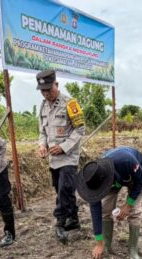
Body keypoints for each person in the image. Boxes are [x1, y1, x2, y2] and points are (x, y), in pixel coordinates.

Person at [36, 70, 86, 243]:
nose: (46, 94)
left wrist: (63, 147)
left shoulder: (70, 103)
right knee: (63, 189)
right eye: (43, 91)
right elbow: (42, 131)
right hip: (53, 159)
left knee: (64, 188)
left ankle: (60, 222)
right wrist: (42, 145)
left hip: (69, 156)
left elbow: (80, 129)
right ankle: (74, 219)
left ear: (56, 85)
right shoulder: (43, 106)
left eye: (48, 90)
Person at [76, 147, 142, 259]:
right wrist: (99, 242)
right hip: (112, 180)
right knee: (105, 209)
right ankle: (106, 246)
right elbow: (96, 211)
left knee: (135, 211)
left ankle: (133, 249)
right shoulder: (94, 180)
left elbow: (139, 182)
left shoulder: (127, 162)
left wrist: (128, 205)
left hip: (133, 175)